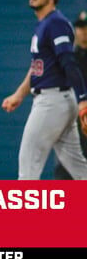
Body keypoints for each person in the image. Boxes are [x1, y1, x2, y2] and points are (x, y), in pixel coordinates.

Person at [2, 0, 87, 180]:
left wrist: (84, 100)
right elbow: (37, 68)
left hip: (52, 102)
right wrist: (19, 95)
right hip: (59, 100)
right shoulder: (45, 24)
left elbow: (69, 62)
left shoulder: (56, 23)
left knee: (28, 168)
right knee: (79, 170)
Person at [54, 11, 87, 179]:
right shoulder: (69, 58)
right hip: (72, 116)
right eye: (80, 28)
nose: (83, 32)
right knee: (67, 164)